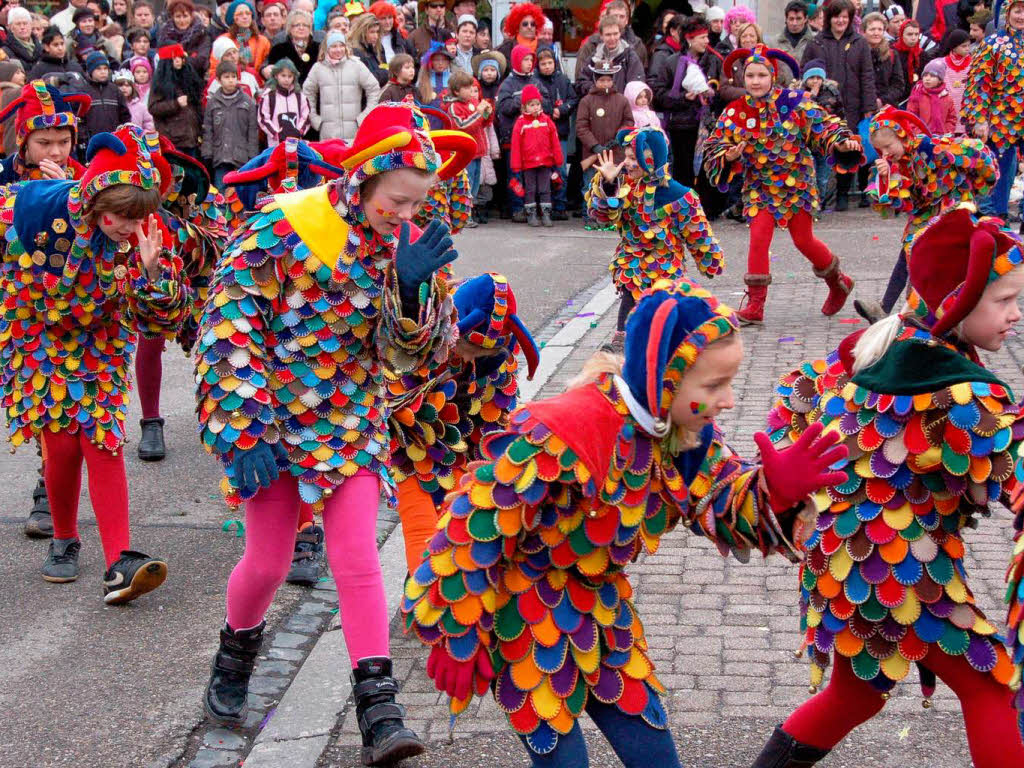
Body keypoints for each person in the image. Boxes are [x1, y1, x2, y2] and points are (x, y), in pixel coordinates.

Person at [403, 276, 849, 768]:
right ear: (666, 378)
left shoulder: (687, 435)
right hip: (523, 609)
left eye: (729, 384)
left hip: (600, 607)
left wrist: (775, 490)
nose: (727, 401)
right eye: (714, 385)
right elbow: (468, 527)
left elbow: (720, 500)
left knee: (654, 751)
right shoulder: (564, 429)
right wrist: (457, 634)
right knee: (563, 762)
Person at [196, 102, 476, 766]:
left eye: (419, 204)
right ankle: (235, 655)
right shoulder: (284, 226)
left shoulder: (410, 243)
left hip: (352, 418)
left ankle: (379, 710)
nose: (406, 215)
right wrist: (244, 427)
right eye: (397, 201)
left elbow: (421, 354)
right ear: (364, 179)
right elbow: (228, 326)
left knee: (355, 558)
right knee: (266, 563)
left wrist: (409, 294)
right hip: (273, 418)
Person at [750, 205, 1024, 768]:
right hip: (894, 567)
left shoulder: (887, 345)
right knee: (988, 686)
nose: (1016, 315)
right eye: (1003, 300)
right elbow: (1007, 466)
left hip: (842, 559)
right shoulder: (963, 393)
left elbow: (797, 401)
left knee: (854, 695)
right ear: (958, 300)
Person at [0, 123, 188, 602]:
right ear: (95, 203)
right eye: (121, 217)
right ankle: (64, 539)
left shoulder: (147, 235)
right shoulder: (39, 209)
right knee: (60, 449)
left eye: (138, 216)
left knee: (102, 443)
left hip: (99, 347)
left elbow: (159, 321)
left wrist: (149, 273)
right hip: (39, 342)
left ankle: (119, 562)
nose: (130, 227)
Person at [389, 272, 538, 574]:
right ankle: (419, 599)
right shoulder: (420, 336)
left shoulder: (497, 361)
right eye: (468, 348)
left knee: (461, 530)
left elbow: (497, 425)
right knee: (420, 529)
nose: (471, 358)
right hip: (412, 449)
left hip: (466, 449)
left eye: (482, 354)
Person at [705, 44, 862, 325]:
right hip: (759, 187)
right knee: (758, 238)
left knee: (803, 240)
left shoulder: (794, 102)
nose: (755, 81)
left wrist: (841, 141)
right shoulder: (734, 111)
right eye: (750, 76)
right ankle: (755, 305)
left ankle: (838, 282)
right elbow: (715, 144)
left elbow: (824, 126)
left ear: (773, 76)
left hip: (796, 183)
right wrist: (727, 156)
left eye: (761, 75)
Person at [589, 127, 724, 354]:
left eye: (634, 158)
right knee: (631, 293)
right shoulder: (625, 186)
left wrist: (709, 258)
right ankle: (623, 339)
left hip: (666, 262)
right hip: (632, 257)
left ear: (651, 159)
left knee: (664, 305)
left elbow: (697, 233)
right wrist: (609, 186)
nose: (628, 163)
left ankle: (668, 343)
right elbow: (601, 216)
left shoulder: (679, 194)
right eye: (627, 157)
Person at [853, 107, 996, 320]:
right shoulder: (896, 163)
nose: (885, 153)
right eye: (880, 149)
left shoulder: (930, 146)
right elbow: (903, 199)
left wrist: (982, 181)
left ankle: (919, 310)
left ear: (902, 135)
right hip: (927, 208)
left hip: (953, 204)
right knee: (910, 248)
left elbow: (975, 153)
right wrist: (887, 178)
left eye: (888, 146)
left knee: (931, 254)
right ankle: (886, 308)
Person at [802, 0, 875, 211]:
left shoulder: (860, 42)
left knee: (849, 145)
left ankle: (843, 193)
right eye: (836, 16)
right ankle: (821, 196)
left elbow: (867, 75)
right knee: (823, 148)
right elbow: (804, 72)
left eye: (845, 16)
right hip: (824, 106)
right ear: (829, 18)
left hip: (852, 103)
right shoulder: (816, 43)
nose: (841, 20)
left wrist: (868, 106)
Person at [963, 0, 1024, 223]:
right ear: (1007, 13)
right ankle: (997, 221)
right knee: (1001, 174)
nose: (1022, 17)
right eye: (1018, 11)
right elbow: (979, 85)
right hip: (1001, 123)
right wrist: (980, 119)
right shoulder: (992, 44)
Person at [651, 17, 719, 189]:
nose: (707, 41)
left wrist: (712, 93)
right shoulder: (671, 62)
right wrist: (683, 98)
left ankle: (703, 210)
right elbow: (659, 94)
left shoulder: (713, 61)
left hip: (707, 124)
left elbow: (722, 89)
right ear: (689, 39)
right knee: (683, 169)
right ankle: (683, 208)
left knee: (706, 169)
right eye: (702, 37)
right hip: (681, 126)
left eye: (707, 36)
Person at [576, 59, 632, 230]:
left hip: (617, 153)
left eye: (608, 79)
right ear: (595, 80)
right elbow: (581, 127)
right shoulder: (586, 101)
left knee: (616, 186)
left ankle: (615, 217)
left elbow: (629, 121)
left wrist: (620, 136)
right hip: (593, 154)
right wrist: (595, 146)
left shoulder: (622, 100)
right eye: (601, 80)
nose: (605, 83)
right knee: (590, 185)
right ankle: (590, 216)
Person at [496, 44, 548, 222]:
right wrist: (523, 100)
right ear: (517, 61)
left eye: (531, 60)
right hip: (515, 139)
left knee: (534, 176)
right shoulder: (508, 84)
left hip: (536, 141)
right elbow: (502, 108)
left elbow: (546, 102)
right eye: (525, 59)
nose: (529, 63)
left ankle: (534, 208)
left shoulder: (536, 81)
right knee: (515, 175)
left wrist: (539, 104)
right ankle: (517, 208)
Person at [303, 30, 380, 142]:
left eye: (341, 46)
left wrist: (364, 117)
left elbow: (373, 89)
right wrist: (314, 118)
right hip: (328, 133)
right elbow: (307, 92)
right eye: (333, 46)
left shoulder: (356, 66)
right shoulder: (318, 68)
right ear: (326, 48)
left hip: (354, 132)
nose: (338, 50)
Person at [510, 83, 561, 228]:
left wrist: (557, 158)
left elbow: (555, 140)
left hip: (545, 161)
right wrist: (516, 165)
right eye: (531, 105)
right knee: (530, 189)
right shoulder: (521, 123)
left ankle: (546, 213)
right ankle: (531, 214)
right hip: (528, 163)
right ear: (524, 107)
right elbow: (516, 145)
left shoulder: (547, 121)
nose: (535, 107)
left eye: (537, 104)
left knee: (545, 189)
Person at [203, 61, 258, 190]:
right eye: (226, 77)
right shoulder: (212, 103)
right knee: (221, 192)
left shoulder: (247, 102)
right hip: (220, 156)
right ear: (218, 79)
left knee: (240, 193)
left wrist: (253, 155)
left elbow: (252, 131)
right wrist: (207, 153)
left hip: (242, 156)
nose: (231, 80)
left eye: (233, 77)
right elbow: (208, 130)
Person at [797, 60, 843, 211]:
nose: (815, 81)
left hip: (824, 140)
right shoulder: (798, 93)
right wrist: (812, 95)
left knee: (824, 176)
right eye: (812, 78)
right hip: (806, 141)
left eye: (818, 77)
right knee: (810, 174)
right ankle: (811, 203)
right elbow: (801, 110)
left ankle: (821, 201)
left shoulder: (831, 92)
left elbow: (831, 111)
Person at [445, 69, 492, 215]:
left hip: (477, 150)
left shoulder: (472, 102)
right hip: (465, 153)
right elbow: (464, 126)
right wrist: (478, 112)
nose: (471, 90)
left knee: (475, 184)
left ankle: (469, 211)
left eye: (471, 87)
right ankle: (462, 213)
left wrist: (487, 113)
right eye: (466, 88)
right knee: (466, 183)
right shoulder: (454, 107)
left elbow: (481, 124)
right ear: (456, 91)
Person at [148, 44, 203, 159]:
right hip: (173, 140)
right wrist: (176, 103)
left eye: (180, 57)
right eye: (174, 58)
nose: (178, 60)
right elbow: (153, 107)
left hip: (191, 138)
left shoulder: (189, 78)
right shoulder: (160, 84)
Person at [576, 14, 645, 97]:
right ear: (601, 36)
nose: (612, 38)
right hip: (598, 106)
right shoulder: (594, 58)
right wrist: (596, 89)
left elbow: (636, 85)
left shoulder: (630, 57)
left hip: (622, 106)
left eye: (615, 34)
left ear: (620, 33)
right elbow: (581, 82)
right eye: (608, 34)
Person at [575, 0, 649, 70]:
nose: (618, 20)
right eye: (615, 16)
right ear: (607, 18)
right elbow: (581, 77)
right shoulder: (591, 44)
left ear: (627, 20)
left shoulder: (637, 45)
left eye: (622, 16)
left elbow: (641, 77)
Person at [80, 51, 130, 150]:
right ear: (90, 71)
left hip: (115, 141)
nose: (103, 72)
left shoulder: (115, 90)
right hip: (92, 142)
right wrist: (84, 139)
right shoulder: (84, 92)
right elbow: (80, 119)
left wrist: (123, 135)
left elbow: (125, 116)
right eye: (98, 69)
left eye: (105, 68)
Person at [258, 59, 310, 147]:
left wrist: (299, 131)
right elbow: (263, 118)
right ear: (276, 75)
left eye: (290, 76)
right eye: (283, 75)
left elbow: (306, 116)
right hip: (275, 144)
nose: (286, 79)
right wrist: (275, 133)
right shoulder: (268, 96)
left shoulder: (300, 96)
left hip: (296, 142)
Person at [212, 0, 270, 76]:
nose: (245, 17)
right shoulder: (223, 40)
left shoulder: (263, 41)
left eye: (248, 13)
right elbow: (214, 69)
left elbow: (267, 65)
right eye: (240, 14)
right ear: (232, 18)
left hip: (258, 84)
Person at [156, 0, 212, 78]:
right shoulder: (165, 34)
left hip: (195, 79)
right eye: (178, 16)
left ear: (191, 16)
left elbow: (202, 60)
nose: (182, 21)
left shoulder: (201, 34)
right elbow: (161, 59)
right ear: (172, 17)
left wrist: (184, 60)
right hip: (170, 80)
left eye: (185, 16)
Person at [906, 58, 957, 133]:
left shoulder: (947, 98)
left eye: (932, 76)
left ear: (940, 80)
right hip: (921, 138)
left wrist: (946, 132)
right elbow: (911, 117)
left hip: (941, 138)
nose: (927, 79)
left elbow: (951, 119)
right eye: (925, 75)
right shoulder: (917, 96)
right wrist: (920, 133)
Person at [268, 9, 319, 83]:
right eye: (297, 25)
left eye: (305, 25)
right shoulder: (278, 49)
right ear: (290, 28)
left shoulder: (319, 48)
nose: (301, 28)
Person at [940, 29, 972, 132]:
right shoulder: (941, 63)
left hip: (966, 106)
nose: (967, 49)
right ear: (954, 47)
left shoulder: (974, 63)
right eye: (963, 46)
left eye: (968, 45)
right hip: (947, 107)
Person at [775, 0, 815, 82]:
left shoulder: (816, 41)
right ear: (786, 19)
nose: (794, 23)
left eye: (798, 19)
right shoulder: (774, 43)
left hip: (807, 91)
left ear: (805, 19)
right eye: (791, 19)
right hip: (781, 91)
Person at [349, 12, 388, 86]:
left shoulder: (379, 48)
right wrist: (386, 73)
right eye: (372, 32)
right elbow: (368, 79)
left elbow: (384, 66)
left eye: (377, 32)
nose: (376, 36)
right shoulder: (355, 51)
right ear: (362, 32)